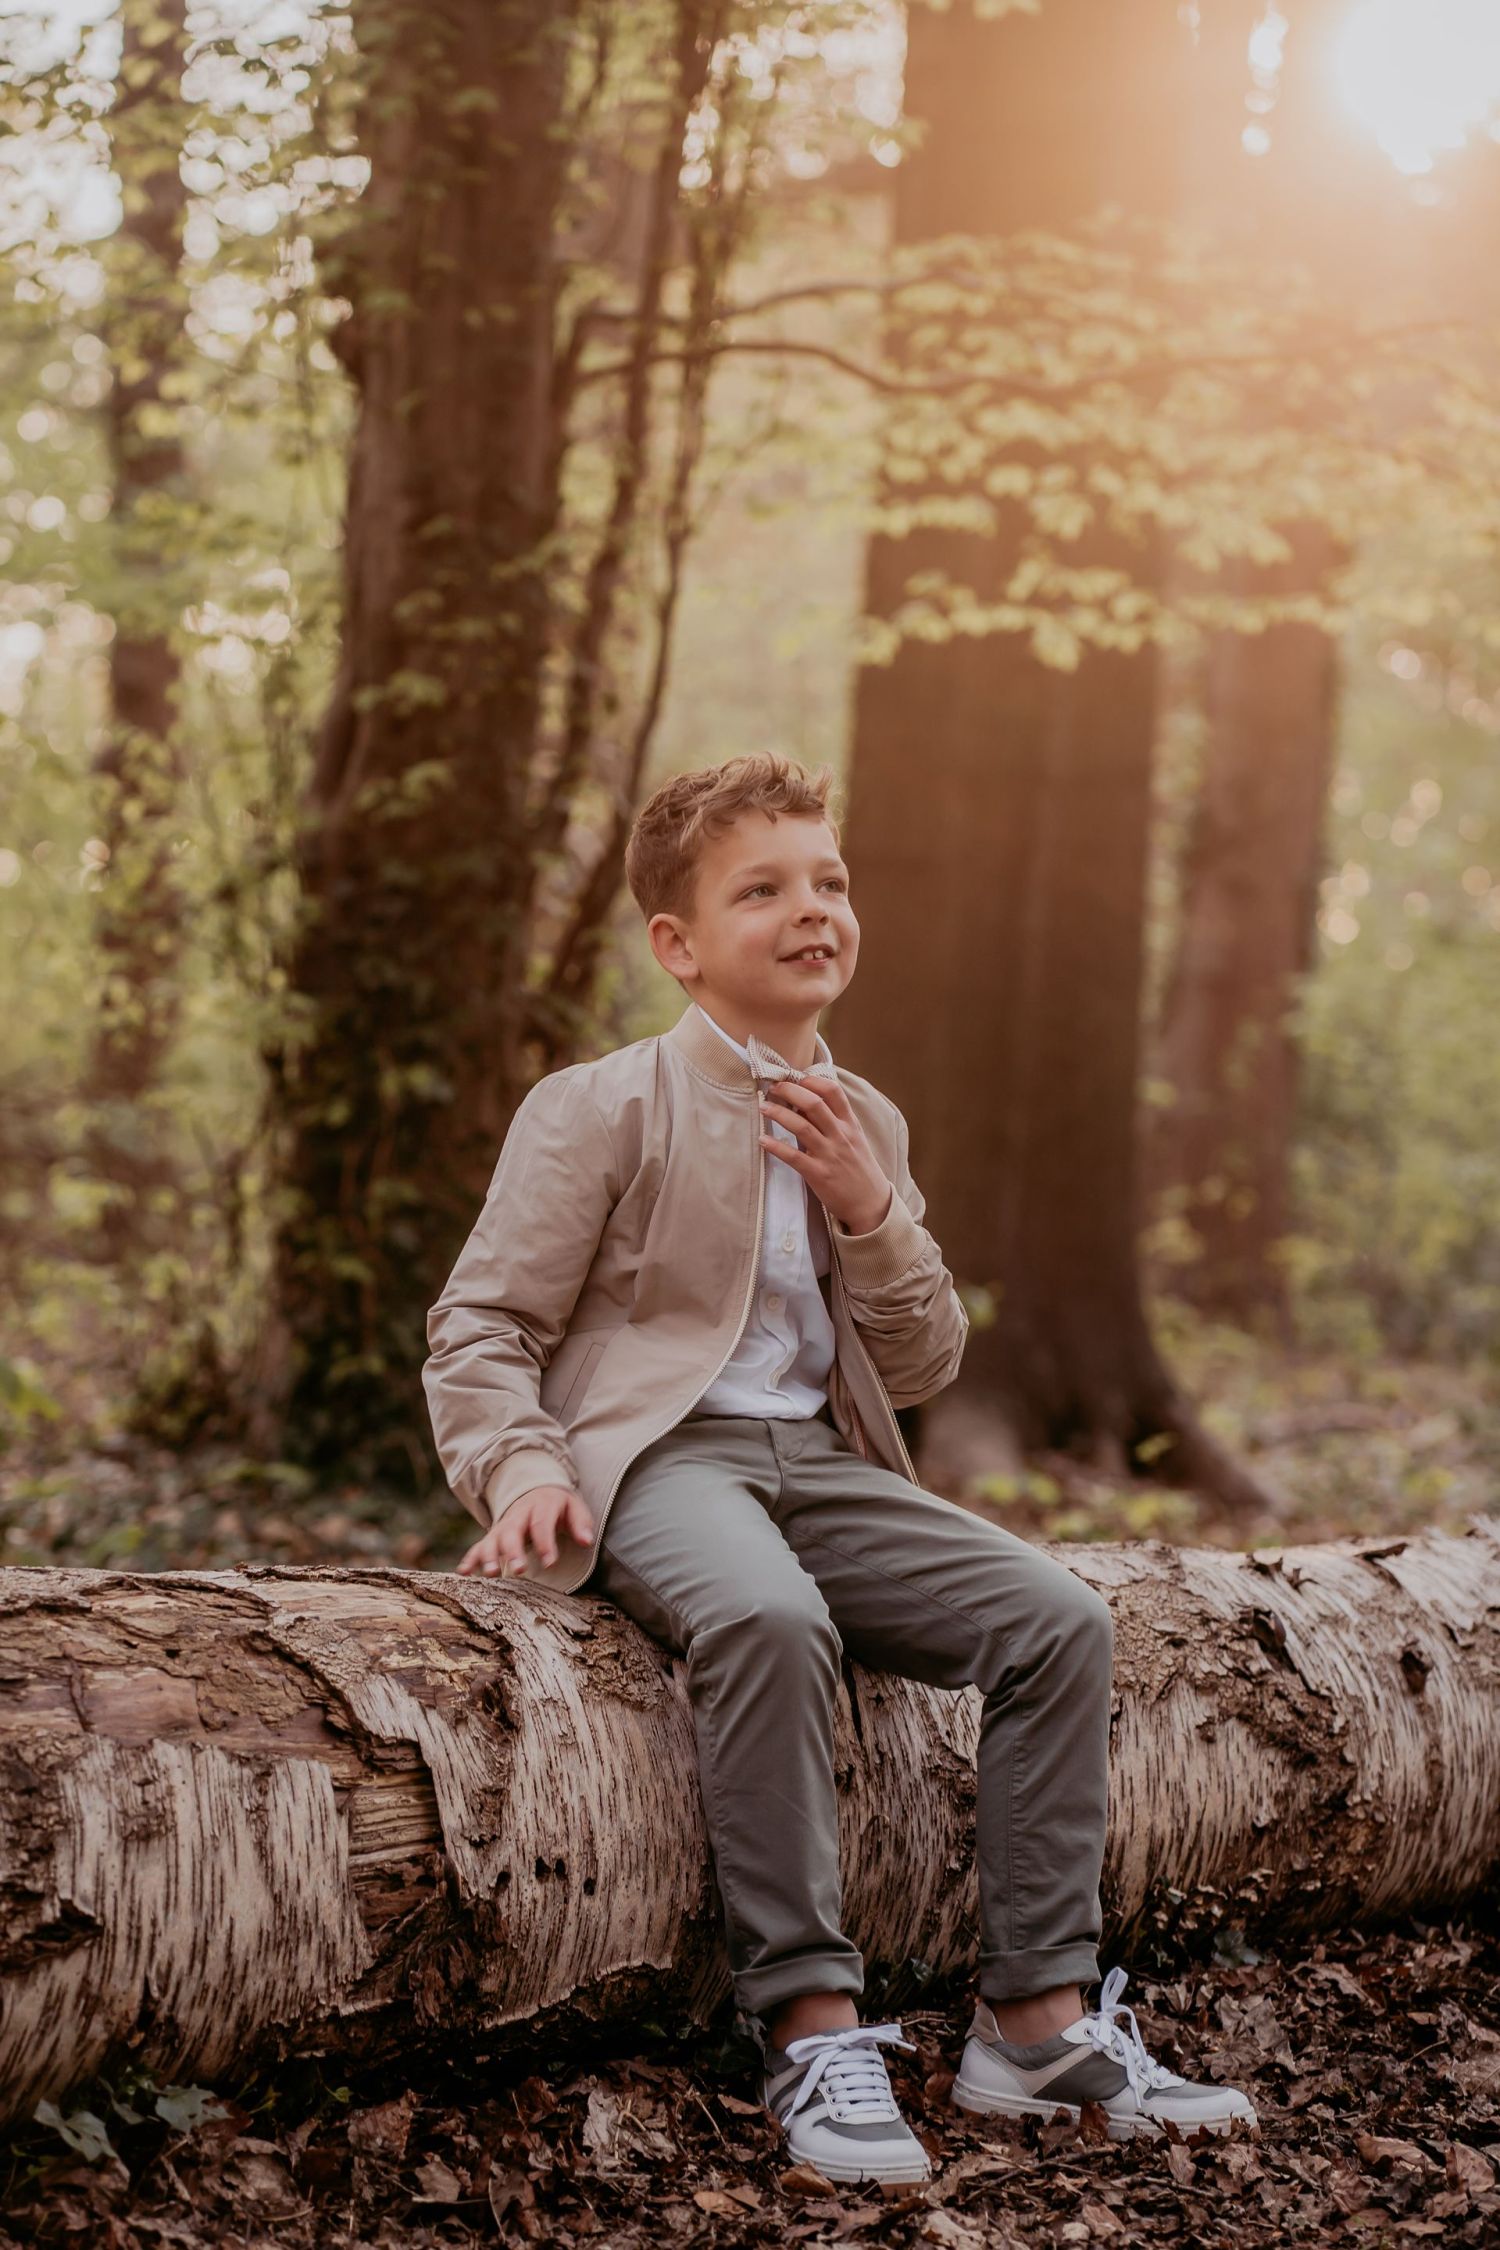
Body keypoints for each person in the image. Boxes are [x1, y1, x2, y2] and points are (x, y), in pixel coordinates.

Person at [424, 752, 1256, 2187]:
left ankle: (1035, 2022)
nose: (813, 909)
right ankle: (813, 2023)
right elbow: (483, 1324)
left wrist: (871, 1210)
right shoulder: (601, 1106)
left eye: (831, 880)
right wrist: (520, 1467)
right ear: (677, 944)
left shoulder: (868, 1118)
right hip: (661, 1463)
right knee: (770, 1616)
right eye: (764, 890)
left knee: (1059, 1619)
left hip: (819, 1463)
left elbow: (924, 1364)